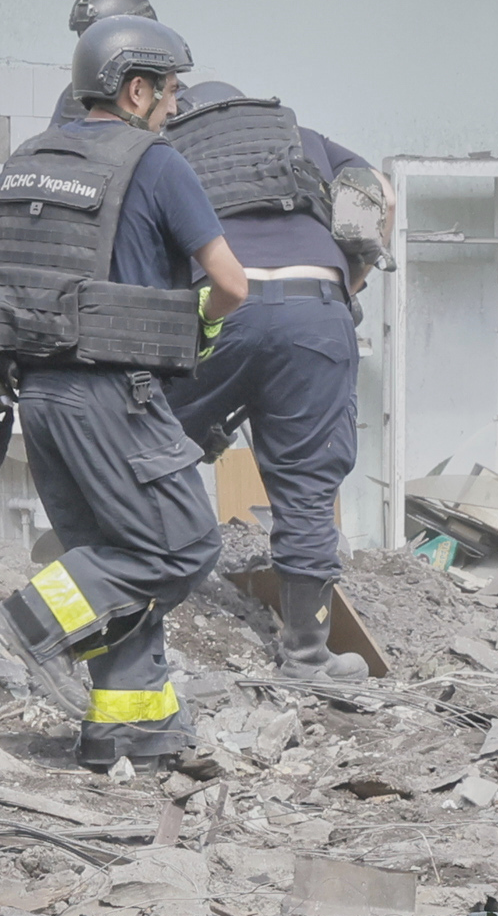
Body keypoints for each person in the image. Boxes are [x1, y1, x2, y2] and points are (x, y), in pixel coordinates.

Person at [0, 10, 248, 766]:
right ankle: (31, 623)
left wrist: (18, 318)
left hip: (39, 401)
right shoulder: (157, 162)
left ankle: (130, 731)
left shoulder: (27, 160)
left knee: (112, 565)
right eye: (170, 90)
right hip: (117, 397)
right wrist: (196, 329)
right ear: (135, 89)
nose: (177, 106)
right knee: (183, 546)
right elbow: (232, 285)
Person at [160, 59, 378, 682]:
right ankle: (306, 657)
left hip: (221, 302)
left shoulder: (170, 147)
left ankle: (143, 604)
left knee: (154, 445)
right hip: (317, 309)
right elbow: (373, 193)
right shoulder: (299, 136)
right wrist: (349, 281)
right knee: (308, 486)